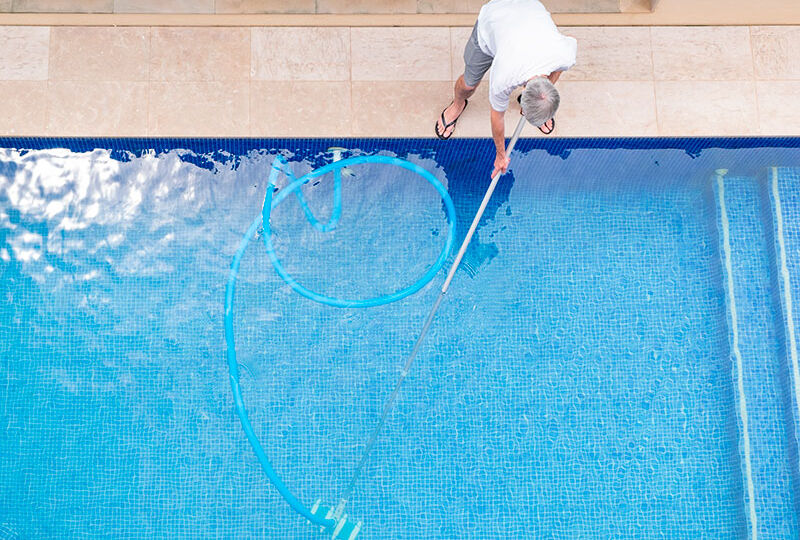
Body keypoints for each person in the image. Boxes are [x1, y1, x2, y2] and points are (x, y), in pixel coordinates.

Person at [435, 0, 577, 177]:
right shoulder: (504, 76)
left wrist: (541, 102)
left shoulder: (564, 55)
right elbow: (497, 117)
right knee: (468, 84)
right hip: (493, 20)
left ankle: (537, 102)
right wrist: (500, 155)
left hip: (528, 13)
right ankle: (457, 104)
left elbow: (560, 66)